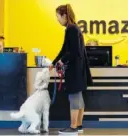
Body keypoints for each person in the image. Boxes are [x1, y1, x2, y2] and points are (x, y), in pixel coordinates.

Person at [49, 4, 93, 134]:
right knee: (78, 97)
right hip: (78, 70)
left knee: (74, 97)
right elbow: (64, 49)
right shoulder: (73, 28)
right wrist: (54, 62)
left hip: (74, 70)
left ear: (64, 15)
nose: (57, 19)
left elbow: (73, 51)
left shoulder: (71, 29)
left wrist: (61, 61)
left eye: (58, 16)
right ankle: (78, 126)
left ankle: (73, 127)